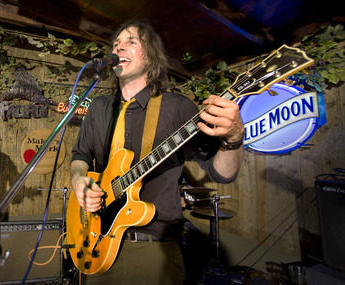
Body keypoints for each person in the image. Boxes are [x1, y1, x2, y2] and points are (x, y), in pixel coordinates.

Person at [70, 19, 244, 284]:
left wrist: (233, 139)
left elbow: (222, 173)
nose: (120, 47)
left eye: (131, 42)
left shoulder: (177, 108)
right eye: (117, 44)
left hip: (153, 250)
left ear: (150, 56)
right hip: (97, 244)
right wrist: (78, 181)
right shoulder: (99, 107)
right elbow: (80, 156)